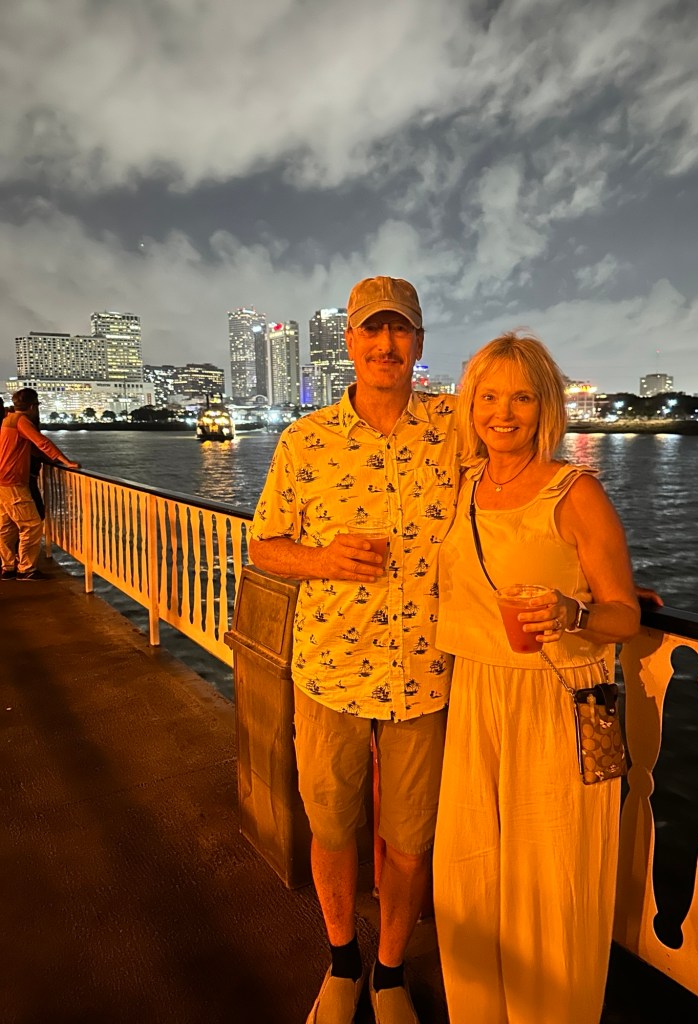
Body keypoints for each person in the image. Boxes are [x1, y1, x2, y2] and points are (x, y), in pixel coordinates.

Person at [248, 276, 460, 1024]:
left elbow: (522, 489)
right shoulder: (305, 440)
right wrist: (322, 559)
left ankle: (391, 972)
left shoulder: (456, 428)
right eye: (372, 329)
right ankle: (342, 962)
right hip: (330, 671)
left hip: (426, 673)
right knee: (333, 830)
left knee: (409, 841)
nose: (386, 343)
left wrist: (592, 574)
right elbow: (263, 546)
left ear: (419, 343)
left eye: (399, 329)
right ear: (349, 343)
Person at [431, 330, 641, 1023]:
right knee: (470, 877)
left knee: (549, 881)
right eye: (489, 397)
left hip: (554, 704)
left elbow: (623, 615)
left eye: (522, 398)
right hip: (475, 694)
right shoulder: (459, 486)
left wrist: (572, 611)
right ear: (470, 406)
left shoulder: (574, 492)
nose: (504, 412)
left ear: (545, 407)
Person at [0, 388, 80, 581]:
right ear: (32, 406)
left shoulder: (7, 420)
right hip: (13, 481)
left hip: (2, 481)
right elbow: (42, 442)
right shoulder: (21, 421)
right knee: (32, 525)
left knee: (6, 526)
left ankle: (8, 567)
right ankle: (26, 568)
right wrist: (65, 461)